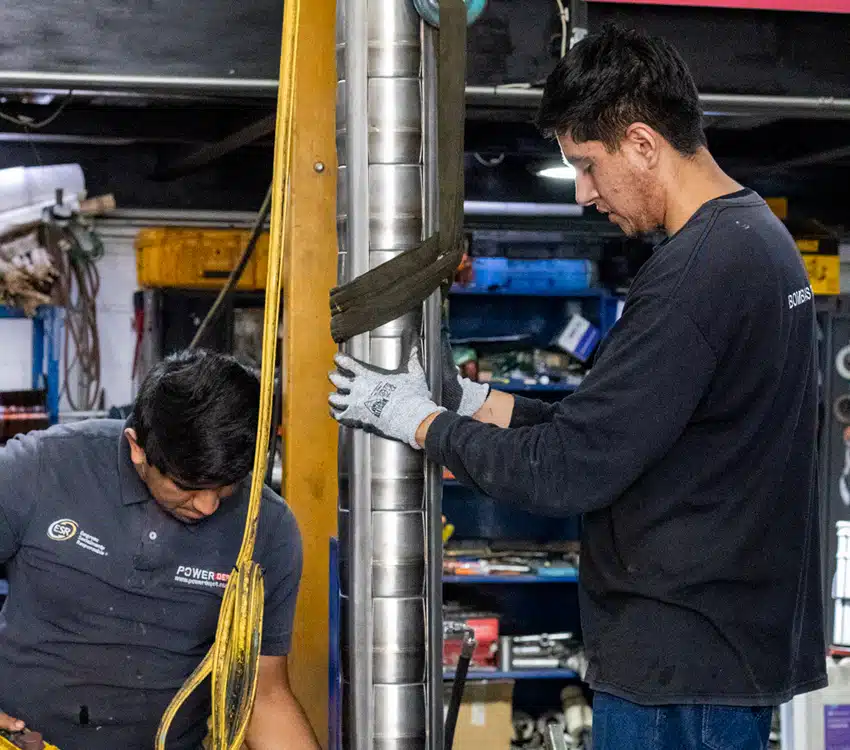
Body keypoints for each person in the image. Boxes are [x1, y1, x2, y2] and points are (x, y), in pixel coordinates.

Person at [329, 25, 825, 750]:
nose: (585, 194)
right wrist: (475, 403)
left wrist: (417, 422)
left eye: (588, 165)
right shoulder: (757, 242)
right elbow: (629, 431)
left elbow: (568, 469)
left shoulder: (696, 275)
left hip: (680, 666)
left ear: (643, 143)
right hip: (716, 650)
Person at [0, 349, 319, 750]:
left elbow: (262, 696)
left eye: (226, 486)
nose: (208, 506)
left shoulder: (267, 528)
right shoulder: (41, 469)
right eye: (187, 486)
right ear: (137, 448)